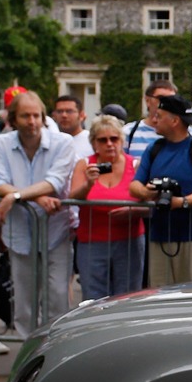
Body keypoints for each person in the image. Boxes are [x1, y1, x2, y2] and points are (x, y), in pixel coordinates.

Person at [0, 90, 78, 337]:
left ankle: (56, 350)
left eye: (36, 115)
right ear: (13, 119)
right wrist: (33, 197)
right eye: (26, 116)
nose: (32, 121)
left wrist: (13, 196)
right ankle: (27, 354)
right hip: (19, 234)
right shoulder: (1, 144)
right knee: (24, 302)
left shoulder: (63, 143)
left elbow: (55, 182)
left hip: (56, 231)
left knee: (57, 296)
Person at [130, 93, 192, 286]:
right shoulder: (154, 149)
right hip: (160, 234)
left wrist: (182, 202)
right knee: (159, 293)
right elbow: (134, 185)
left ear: (174, 121)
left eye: (159, 116)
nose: (154, 120)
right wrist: (148, 193)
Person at [69, 114, 145, 300]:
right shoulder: (85, 164)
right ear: (94, 143)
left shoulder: (135, 165)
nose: (109, 144)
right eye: (103, 140)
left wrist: (132, 211)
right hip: (92, 241)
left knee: (127, 296)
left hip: (129, 240)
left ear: (122, 140)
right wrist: (88, 184)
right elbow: (72, 198)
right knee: (93, 298)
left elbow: (150, 205)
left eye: (114, 139)